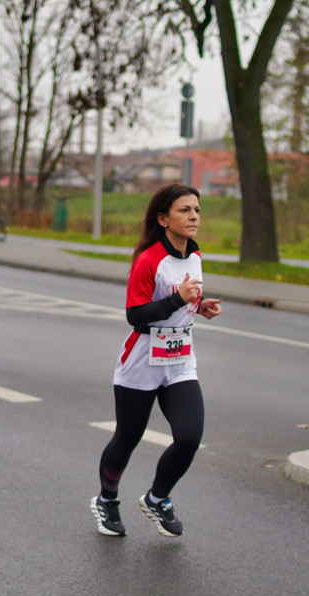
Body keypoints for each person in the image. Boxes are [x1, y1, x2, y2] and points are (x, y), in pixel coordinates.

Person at [91, 183, 222, 539]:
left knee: (189, 436)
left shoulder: (194, 256)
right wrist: (180, 300)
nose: (194, 216)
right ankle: (107, 499)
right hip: (143, 360)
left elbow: (180, 298)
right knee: (128, 436)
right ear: (163, 219)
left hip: (180, 359)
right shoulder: (149, 259)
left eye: (196, 210)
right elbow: (136, 314)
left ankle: (157, 497)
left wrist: (200, 305)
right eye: (184, 210)